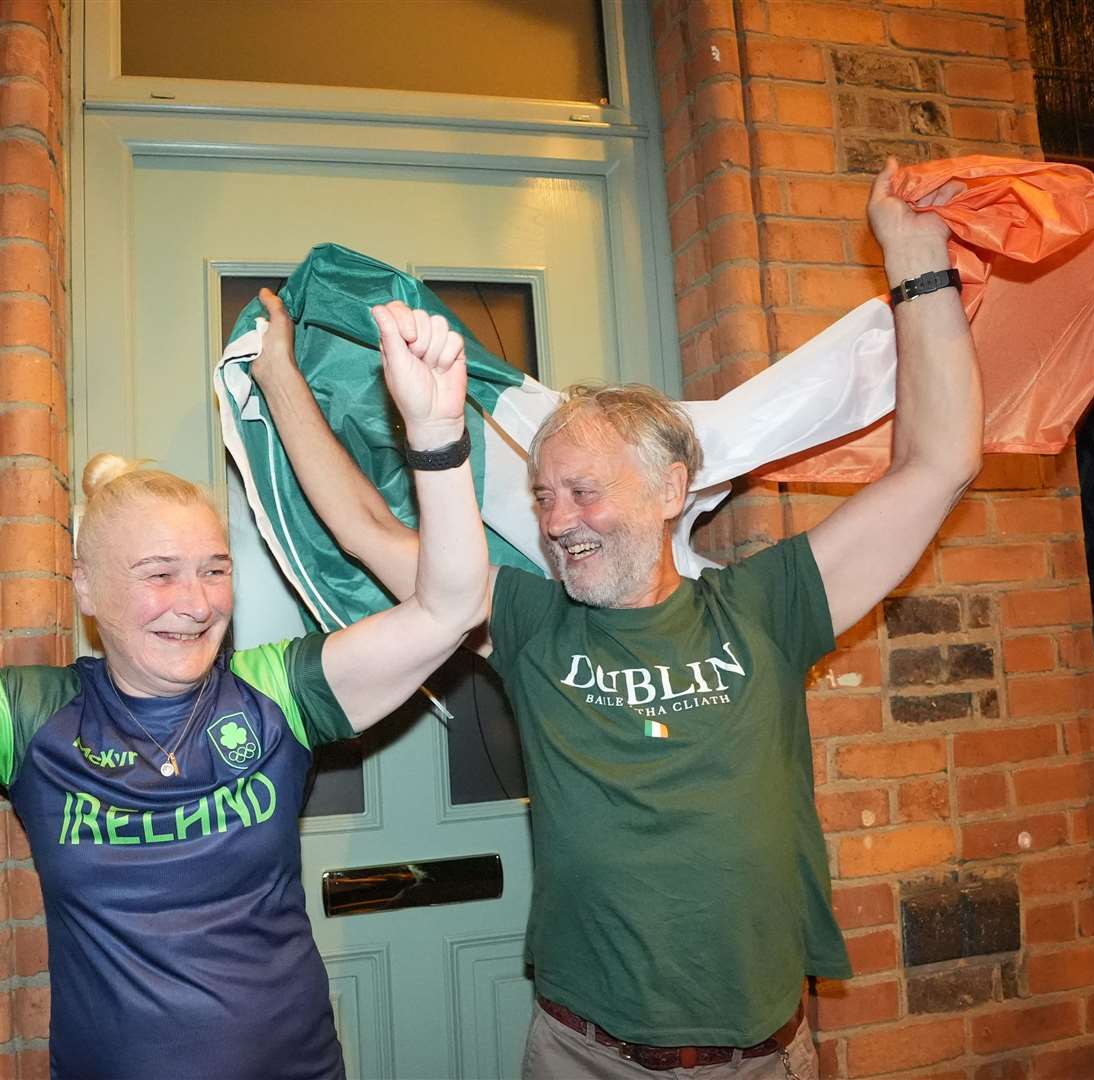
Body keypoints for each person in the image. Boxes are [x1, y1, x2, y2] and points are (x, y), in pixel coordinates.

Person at [250, 158, 979, 1078]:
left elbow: (937, 464)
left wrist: (914, 256)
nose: (556, 522)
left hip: (751, 1060)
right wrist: (279, 380)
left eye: (583, 491)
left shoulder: (765, 606)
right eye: (544, 496)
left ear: (671, 488)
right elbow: (363, 529)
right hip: (579, 1054)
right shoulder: (525, 621)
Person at [0, 304, 486, 1079]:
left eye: (214, 569)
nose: (196, 601)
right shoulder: (32, 718)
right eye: (158, 574)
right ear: (86, 587)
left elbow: (450, 606)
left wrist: (435, 433)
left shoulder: (277, 694)